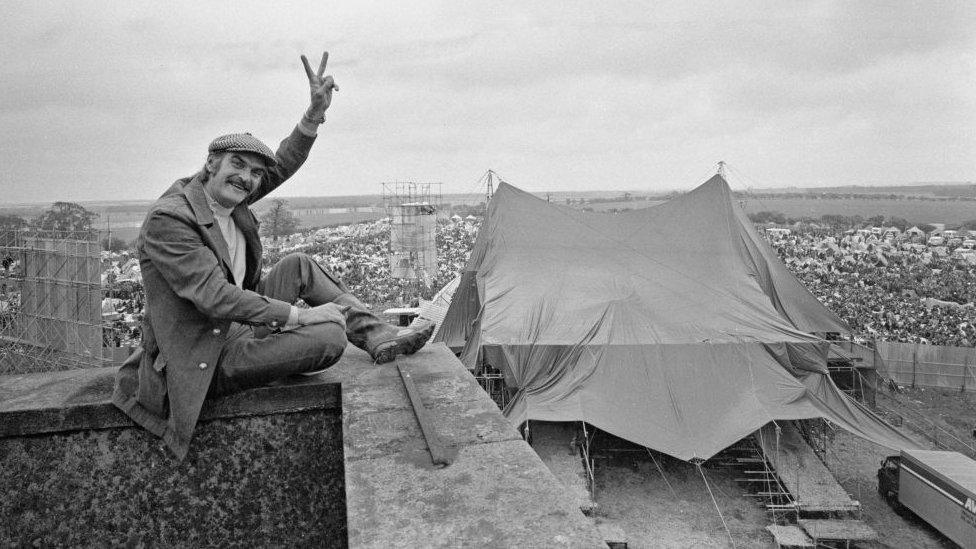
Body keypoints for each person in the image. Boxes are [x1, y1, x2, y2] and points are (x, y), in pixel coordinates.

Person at [113, 52, 434, 460]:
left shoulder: (228, 198)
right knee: (329, 337)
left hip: (236, 326)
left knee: (299, 265)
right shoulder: (171, 219)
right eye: (237, 164)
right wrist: (301, 315)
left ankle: (378, 336)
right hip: (203, 355)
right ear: (210, 164)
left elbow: (280, 164)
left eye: (253, 173)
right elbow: (214, 298)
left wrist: (313, 115)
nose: (246, 178)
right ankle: (335, 333)